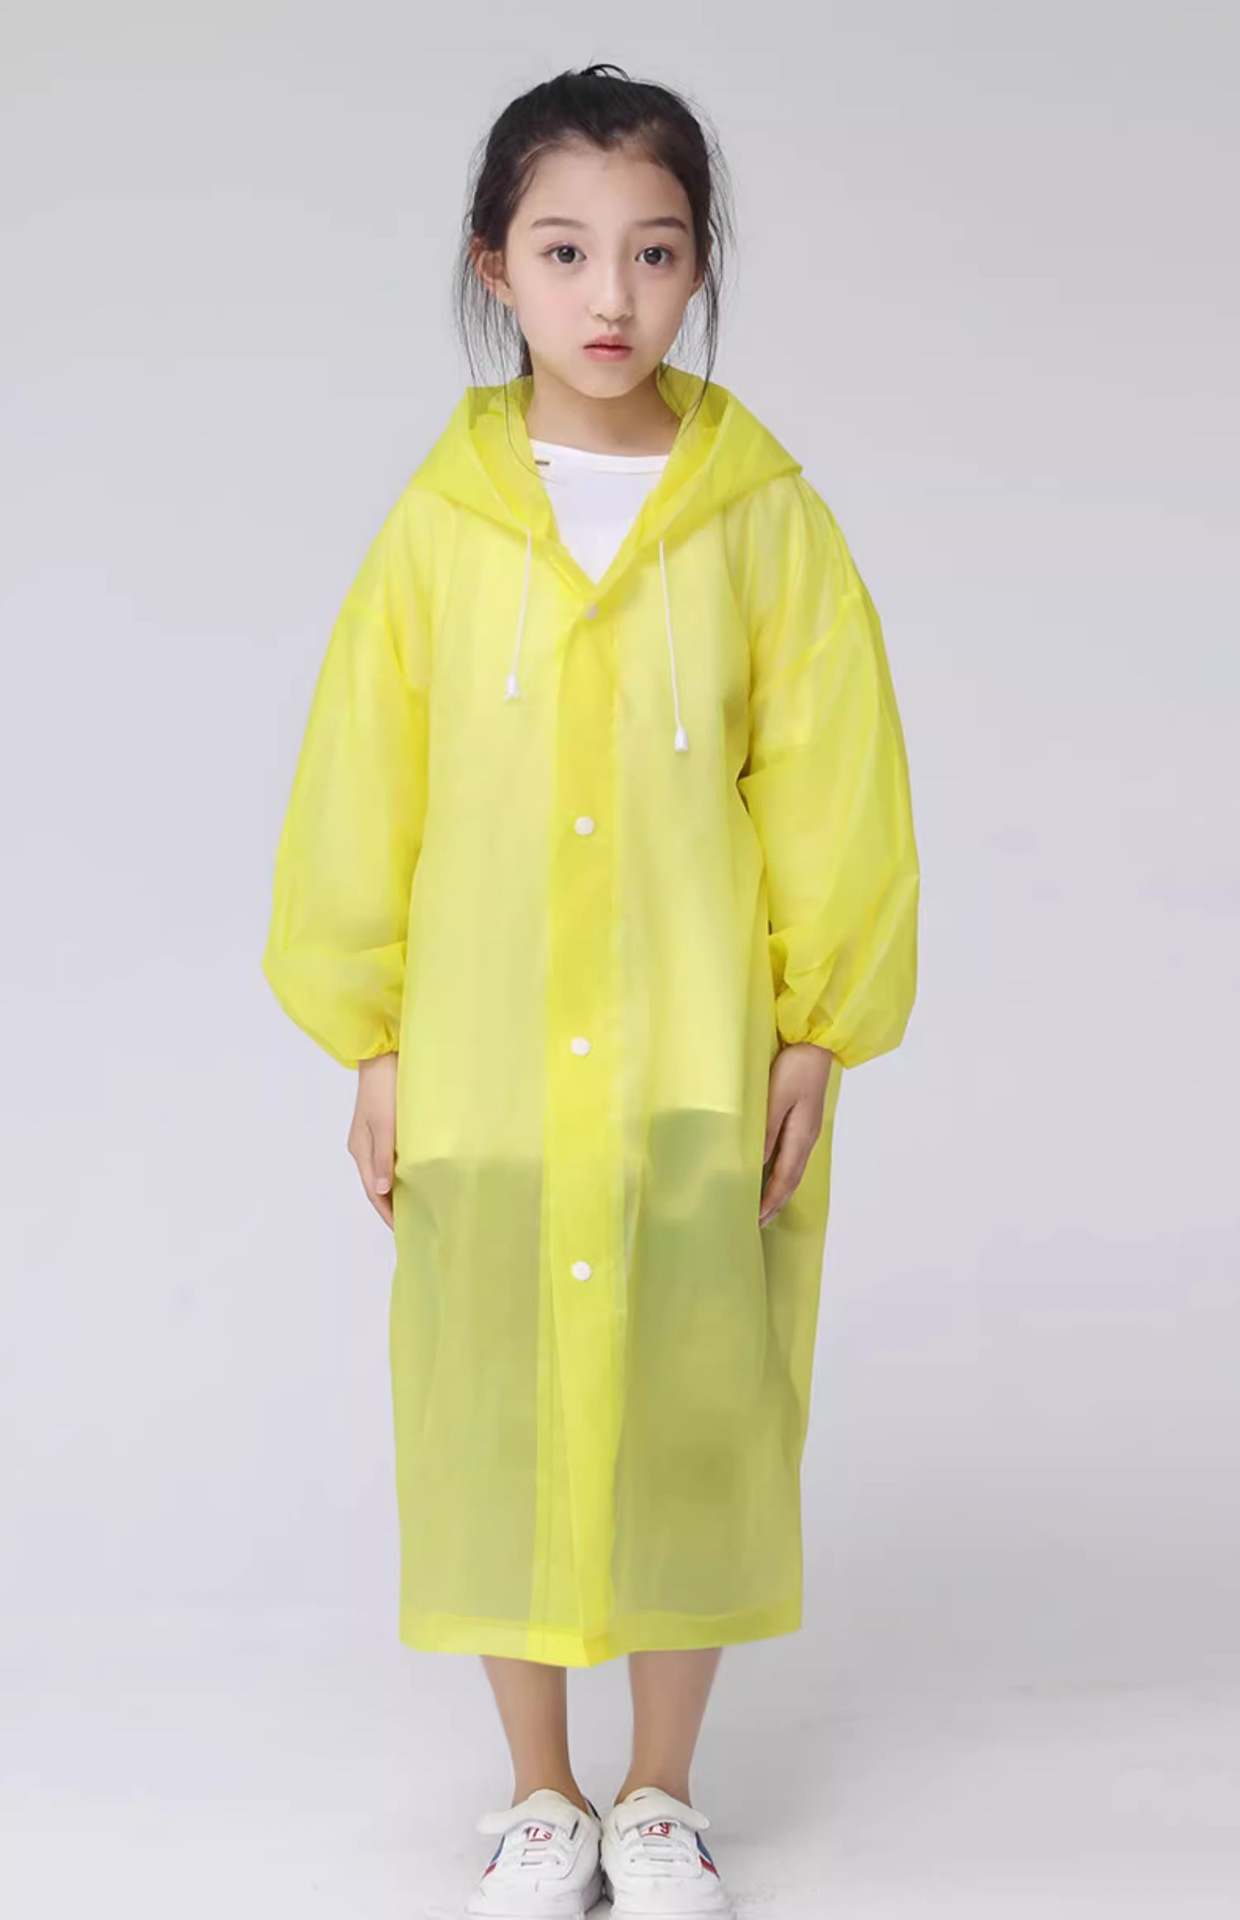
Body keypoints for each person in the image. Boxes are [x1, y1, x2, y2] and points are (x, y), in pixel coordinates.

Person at [262, 60, 920, 1920]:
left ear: (700, 266)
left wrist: (818, 1028)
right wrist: (375, 1040)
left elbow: (834, 780)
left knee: (697, 1399)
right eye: (564, 251)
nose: (610, 295)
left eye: (653, 250)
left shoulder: (761, 518)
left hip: (693, 1050)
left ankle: (661, 1791)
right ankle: (538, 1793)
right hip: (482, 1055)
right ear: (496, 266)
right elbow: (364, 785)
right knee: (494, 1397)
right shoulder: (442, 525)